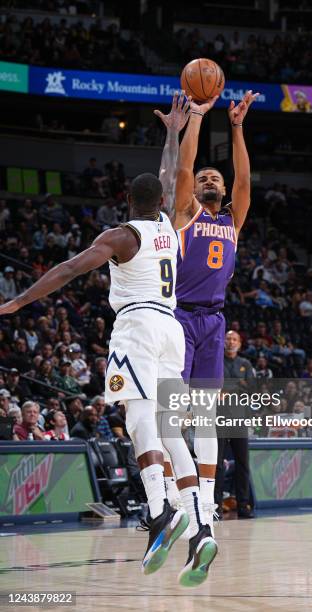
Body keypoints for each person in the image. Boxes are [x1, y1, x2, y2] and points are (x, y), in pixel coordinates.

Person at [0, 169, 217, 585]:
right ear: (160, 201)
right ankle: (200, 528)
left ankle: (160, 512)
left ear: (126, 199)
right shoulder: (170, 228)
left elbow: (70, 268)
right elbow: (170, 175)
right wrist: (173, 130)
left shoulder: (121, 237)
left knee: (139, 422)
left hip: (137, 327)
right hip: (173, 332)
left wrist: (20, 301)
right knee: (172, 432)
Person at [156, 88, 258, 532]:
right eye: (205, 178)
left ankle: (208, 504)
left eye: (215, 177)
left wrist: (236, 127)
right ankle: (169, 498)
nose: (211, 180)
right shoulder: (185, 215)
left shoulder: (232, 221)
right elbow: (183, 166)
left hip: (214, 321)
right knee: (170, 412)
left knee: (206, 415)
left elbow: (244, 181)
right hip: (178, 317)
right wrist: (196, 117)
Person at [215, 331, 254, 518]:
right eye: (228, 339)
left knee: (243, 463)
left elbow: (251, 390)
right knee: (217, 464)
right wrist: (237, 385)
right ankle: (215, 506)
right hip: (219, 417)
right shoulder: (216, 360)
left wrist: (230, 389)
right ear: (223, 341)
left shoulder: (245, 364)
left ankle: (243, 505)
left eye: (234, 339)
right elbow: (214, 386)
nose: (231, 342)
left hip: (239, 418)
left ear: (240, 343)